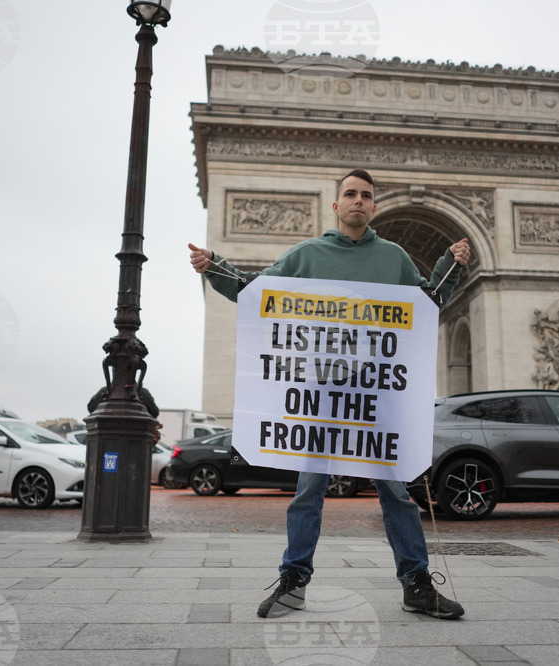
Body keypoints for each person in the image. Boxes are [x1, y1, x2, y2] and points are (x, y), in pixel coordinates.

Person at [188, 169, 469, 620]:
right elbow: (257, 293)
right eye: (350, 194)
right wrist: (215, 267)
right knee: (308, 491)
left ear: (374, 207)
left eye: (366, 196)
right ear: (336, 206)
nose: (358, 201)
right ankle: (293, 581)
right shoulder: (306, 254)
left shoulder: (394, 258)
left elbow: (427, 303)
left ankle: (416, 584)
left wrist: (449, 266)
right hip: (319, 400)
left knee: (396, 494)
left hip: (377, 401)